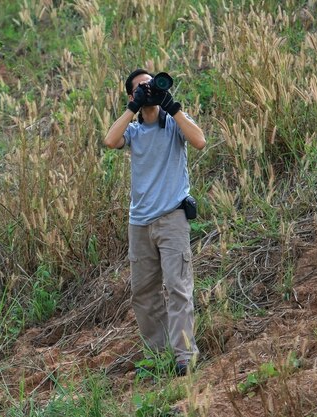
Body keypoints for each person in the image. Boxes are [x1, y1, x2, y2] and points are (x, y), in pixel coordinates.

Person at [103, 68, 206, 376]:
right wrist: (133, 107)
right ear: (131, 94)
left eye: (152, 85)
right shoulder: (133, 132)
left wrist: (172, 106)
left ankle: (184, 357)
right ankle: (160, 354)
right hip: (139, 224)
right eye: (141, 87)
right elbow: (110, 140)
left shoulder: (175, 124)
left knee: (178, 287)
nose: (149, 89)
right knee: (144, 293)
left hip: (172, 217)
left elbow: (200, 141)